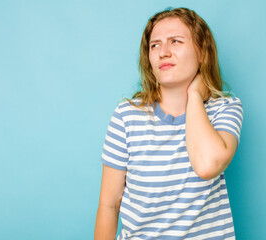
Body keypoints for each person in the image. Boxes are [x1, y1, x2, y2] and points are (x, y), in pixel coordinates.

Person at [95, 7, 243, 240]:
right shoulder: (126, 116)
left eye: (175, 41)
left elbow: (207, 165)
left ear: (202, 52)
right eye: (155, 45)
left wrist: (195, 95)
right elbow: (109, 205)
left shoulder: (225, 109)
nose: (163, 52)